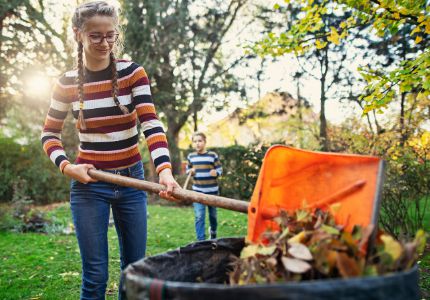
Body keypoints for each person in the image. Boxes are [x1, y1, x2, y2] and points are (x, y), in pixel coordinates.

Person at [40, 1, 179, 299]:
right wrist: (67, 166)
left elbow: (151, 125)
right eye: (95, 36)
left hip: (132, 181)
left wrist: (164, 171)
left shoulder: (133, 74)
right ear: (79, 34)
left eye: (110, 35)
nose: (105, 43)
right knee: (95, 276)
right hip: (90, 185)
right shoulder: (65, 83)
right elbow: (49, 134)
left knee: (134, 272)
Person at [186, 132, 223, 241]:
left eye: (200, 141)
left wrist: (216, 173)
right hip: (197, 192)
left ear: (205, 142)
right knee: (199, 216)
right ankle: (201, 241)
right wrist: (190, 171)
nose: (197, 143)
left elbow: (220, 169)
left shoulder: (212, 155)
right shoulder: (191, 156)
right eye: (195, 141)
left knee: (213, 216)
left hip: (212, 192)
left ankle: (213, 233)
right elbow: (188, 170)